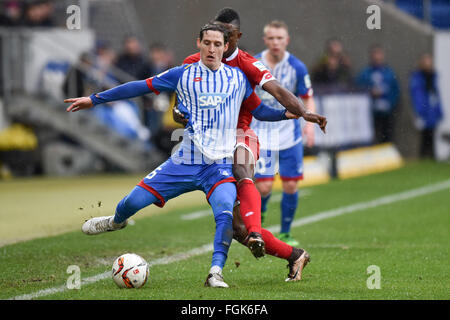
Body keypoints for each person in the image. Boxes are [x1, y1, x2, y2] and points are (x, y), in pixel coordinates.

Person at [64, 23, 299, 288]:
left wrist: (284, 113)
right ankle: (115, 222)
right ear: (198, 43)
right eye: (207, 43)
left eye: (217, 44)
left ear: (225, 47)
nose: (211, 49)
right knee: (131, 202)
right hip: (185, 161)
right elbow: (138, 87)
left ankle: (215, 273)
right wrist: (94, 100)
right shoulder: (182, 74)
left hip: (219, 165)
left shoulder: (237, 79)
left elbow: (259, 111)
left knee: (224, 215)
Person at [174, 8, 327, 281]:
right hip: (208, 146)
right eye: (214, 35)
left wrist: (303, 113)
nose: (219, 40)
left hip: (241, 136)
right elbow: (181, 100)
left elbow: (275, 92)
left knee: (244, 173)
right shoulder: (192, 63)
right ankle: (295, 255)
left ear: (236, 36)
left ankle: (255, 231)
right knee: (236, 228)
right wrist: (180, 111)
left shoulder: (247, 64)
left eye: (226, 35)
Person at [250, 20, 315, 247]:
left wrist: (309, 123)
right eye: (271, 38)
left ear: (287, 40)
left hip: (290, 135)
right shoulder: (254, 64)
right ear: (265, 41)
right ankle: (260, 220)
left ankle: (286, 232)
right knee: (264, 186)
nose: (275, 42)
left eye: (280, 38)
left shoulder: (297, 67)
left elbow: (307, 96)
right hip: (262, 133)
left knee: (290, 185)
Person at [356, 44, 400, 144]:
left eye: (379, 54)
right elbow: (359, 89)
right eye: (375, 54)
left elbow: (395, 90)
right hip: (371, 111)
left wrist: (391, 104)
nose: (377, 57)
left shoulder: (389, 72)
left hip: (387, 111)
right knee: (372, 136)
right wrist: (370, 92)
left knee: (387, 135)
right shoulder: (365, 73)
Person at [409, 53, 443, 159]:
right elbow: (417, 96)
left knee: (431, 135)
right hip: (424, 112)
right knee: (424, 137)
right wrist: (419, 111)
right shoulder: (417, 78)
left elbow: (436, 95)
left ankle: (431, 157)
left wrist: (439, 111)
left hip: (432, 111)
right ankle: (423, 157)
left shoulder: (433, 77)